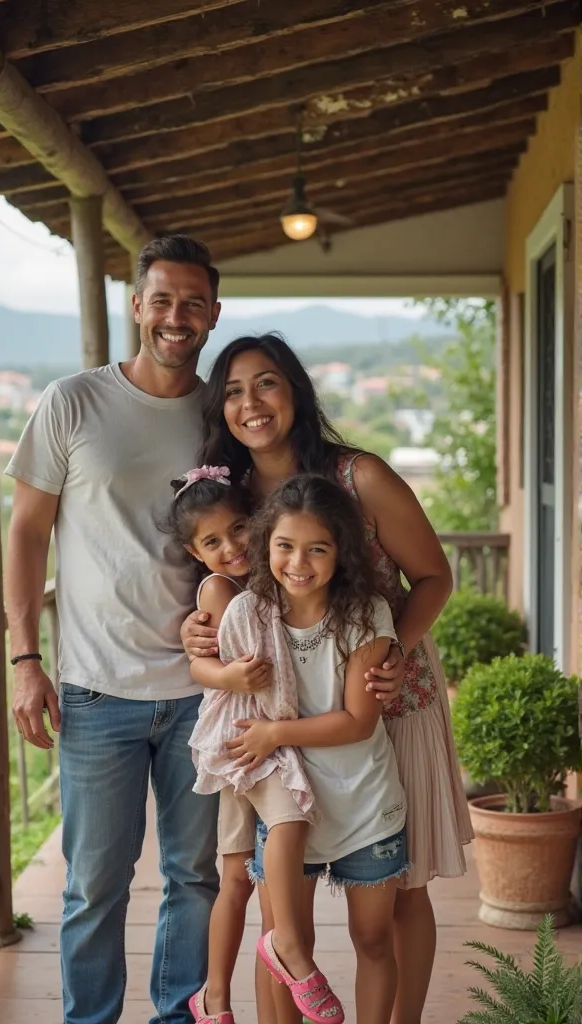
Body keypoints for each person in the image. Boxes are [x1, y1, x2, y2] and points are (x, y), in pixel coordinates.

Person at [182, 334, 473, 1024]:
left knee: (400, 887)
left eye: (267, 384)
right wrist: (200, 629)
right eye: (232, 390)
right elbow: (217, 588)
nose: (251, 403)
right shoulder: (225, 496)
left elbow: (434, 576)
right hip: (282, 708)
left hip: (384, 695)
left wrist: (387, 654)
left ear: (297, 393)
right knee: (281, 905)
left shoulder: (358, 476)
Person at [4, 235, 224, 1024]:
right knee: (93, 884)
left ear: (213, 314)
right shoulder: (73, 402)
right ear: (137, 306)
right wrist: (25, 658)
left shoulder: (219, 415)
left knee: (195, 876)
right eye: (162, 299)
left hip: (205, 692)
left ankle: (179, 1016)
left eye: (193, 302)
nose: (176, 316)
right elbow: (26, 533)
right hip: (97, 693)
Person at [194, 473, 409, 1024]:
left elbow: (360, 722)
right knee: (288, 944)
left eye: (318, 548)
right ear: (265, 546)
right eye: (285, 546)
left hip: (366, 801)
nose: (299, 562)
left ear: (342, 551)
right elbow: (226, 689)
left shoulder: (366, 615)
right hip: (288, 798)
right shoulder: (249, 613)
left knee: (375, 939)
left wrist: (274, 734)